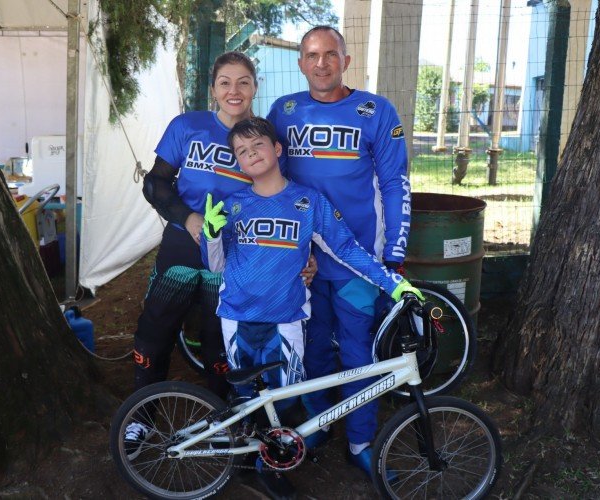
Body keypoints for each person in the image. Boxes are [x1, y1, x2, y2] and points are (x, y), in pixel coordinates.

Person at [200, 117, 422, 500]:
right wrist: (211, 234)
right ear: (237, 162)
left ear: (277, 149)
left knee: (283, 399)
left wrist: (392, 280)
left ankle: (267, 466)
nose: (251, 155)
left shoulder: (308, 202)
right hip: (236, 317)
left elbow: (347, 250)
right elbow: (215, 266)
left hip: (286, 319)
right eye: (242, 152)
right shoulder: (232, 206)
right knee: (249, 398)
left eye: (258, 146)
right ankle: (250, 458)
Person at [127, 52, 316, 447]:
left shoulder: (264, 138)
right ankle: (141, 417)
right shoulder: (187, 126)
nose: (234, 90)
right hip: (181, 248)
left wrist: (303, 255)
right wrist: (190, 219)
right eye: (225, 82)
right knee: (154, 333)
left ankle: (223, 422)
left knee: (220, 345)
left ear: (255, 88)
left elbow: (286, 201)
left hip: (235, 258)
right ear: (212, 89)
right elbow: (155, 183)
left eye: (244, 81)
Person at [266, 26, 412, 475]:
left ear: (346, 61)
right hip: (303, 262)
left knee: (357, 353)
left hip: (356, 261)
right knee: (311, 352)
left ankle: (361, 439)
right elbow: (272, 183)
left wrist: (395, 250)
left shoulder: (376, 111)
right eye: (312, 55)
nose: (322, 63)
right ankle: (317, 423)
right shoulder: (283, 111)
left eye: (331, 54)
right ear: (301, 62)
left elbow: (395, 184)